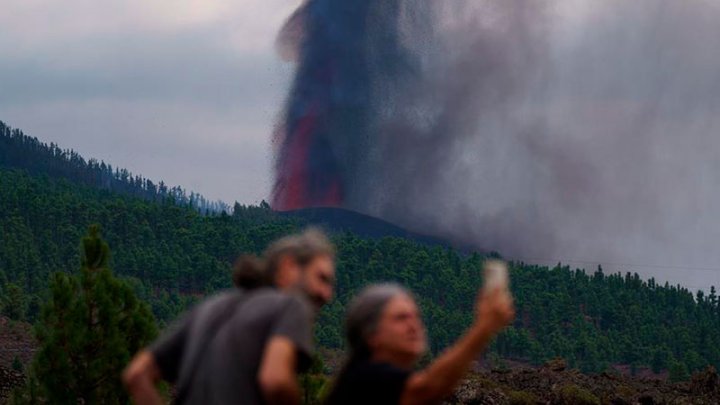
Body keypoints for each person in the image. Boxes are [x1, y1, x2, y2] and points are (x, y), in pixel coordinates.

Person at [123, 228, 336, 405]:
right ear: (288, 266)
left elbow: (137, 374)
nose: (327, 294)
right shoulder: (291, 306)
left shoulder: (210, 307)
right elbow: (276, 379)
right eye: (321, 278)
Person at [324, 282, 515, 405]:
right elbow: (427, 388)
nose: (414, 325)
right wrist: (484, 328)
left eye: (416, 317)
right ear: (371, 334)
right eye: (401, 318)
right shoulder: (367, 377)